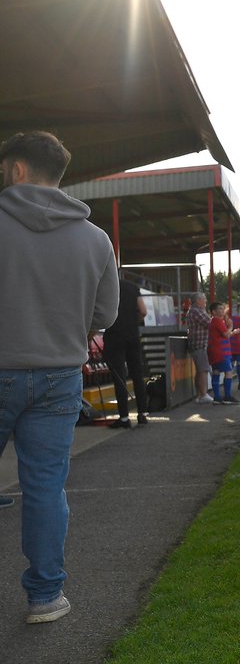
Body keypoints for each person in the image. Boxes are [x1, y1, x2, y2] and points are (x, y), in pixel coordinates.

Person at [0, 130, 119, 623]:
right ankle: (45, 597)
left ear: (18, 170)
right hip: (58, 376)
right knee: (46, 487)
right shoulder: (95, 239)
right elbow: (107, 314)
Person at [104, 278, 150, 428]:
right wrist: (132, 322)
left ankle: (124, 418)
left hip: (114, 336)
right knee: (137, 374)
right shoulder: (132, 286)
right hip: (133, 335)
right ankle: (142, 414)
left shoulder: (105, 287)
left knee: (119, 376)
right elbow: (143, 311)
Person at [184, 292, 214, 404]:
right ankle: (203, 395)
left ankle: (200, 394)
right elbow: (210, 324)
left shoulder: (194, 311)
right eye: (204, 299)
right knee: (203, 370)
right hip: (199, 344)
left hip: (197, 344)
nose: (206, 301)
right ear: (198, 301)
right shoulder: (197, 311)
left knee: (200, 370)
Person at [207, 302, 239, 405]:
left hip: (214, 352)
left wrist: (232, 332)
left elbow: (224, 335)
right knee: (228, 372)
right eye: (220, 309)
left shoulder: (213, 321)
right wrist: (231, 327)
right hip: (221, 352)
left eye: (222, 308)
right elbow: (226, 334)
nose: (222, 310)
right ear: (214, 312)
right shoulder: (218, 321)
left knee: (216, 372)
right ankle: (227, 396)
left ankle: (217, 397)